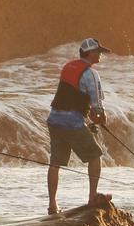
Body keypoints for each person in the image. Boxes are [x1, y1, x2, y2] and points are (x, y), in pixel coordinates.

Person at [47, 37, 112, 214]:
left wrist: (88, 114)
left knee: (55, 164)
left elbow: (72, 95)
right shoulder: (91, 74)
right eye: (98, 52)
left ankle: (53, 205)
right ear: (90, 53)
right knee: (95, 155)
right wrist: (101, 118)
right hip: (71, 122)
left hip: (54, 119)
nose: (100, 55)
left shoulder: (68, 67)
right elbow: (97, 106)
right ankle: (92, 197)